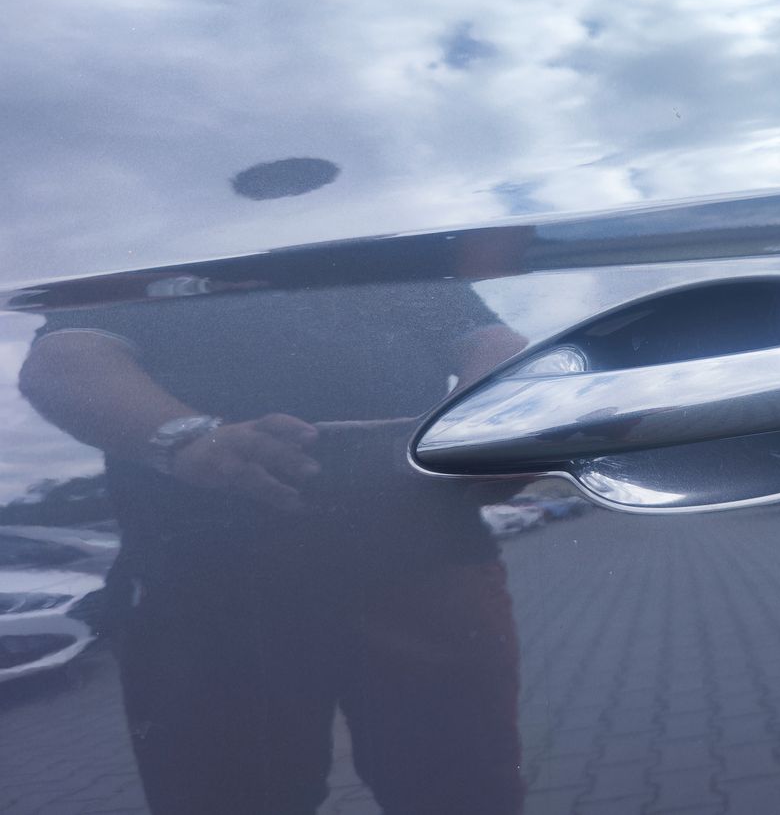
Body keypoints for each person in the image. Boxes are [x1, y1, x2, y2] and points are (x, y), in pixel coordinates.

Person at [19, 275, 526, 815]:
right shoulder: (158, 261)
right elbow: (63, 360)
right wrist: (188, 439)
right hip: (213, 588)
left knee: (463, 791)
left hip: (414, 566)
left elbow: (494, 344)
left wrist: (480, 425)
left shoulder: (394, 263)